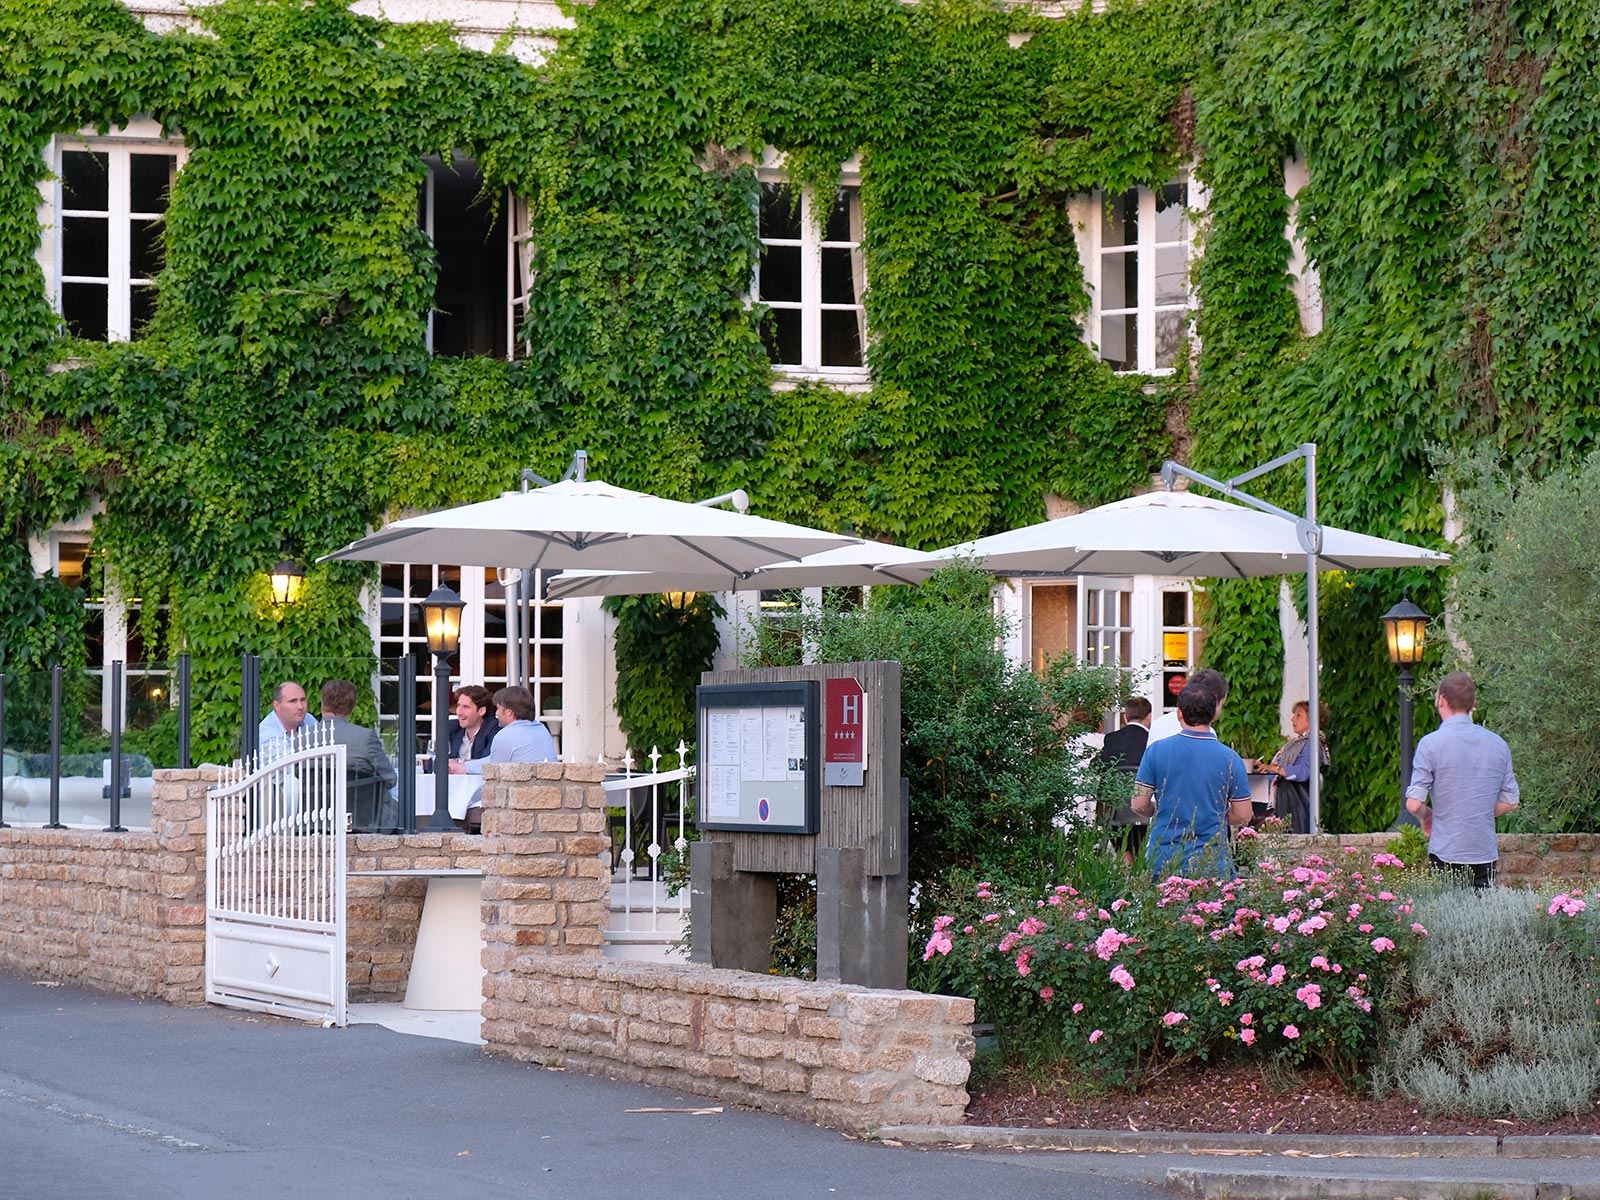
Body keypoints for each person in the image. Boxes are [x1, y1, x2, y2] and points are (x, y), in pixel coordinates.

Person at [1404, 672, 1518, 891]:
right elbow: (1511, 801)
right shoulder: (1497, 744)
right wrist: (1478, 810)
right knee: (1483, 919)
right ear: (1473, 703)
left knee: (1445, 919)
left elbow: (1414, 804)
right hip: (1483, 851)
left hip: (1446, 850)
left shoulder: (1430, 744)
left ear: (1441, 700)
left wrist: (1429, 816)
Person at [1132, 679, 1253, 879]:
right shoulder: (1231, 758)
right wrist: (1219, 817)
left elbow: (1138, 804)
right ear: (1214, 714)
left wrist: (1153, 810)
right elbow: (1243, 815)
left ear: (1179, 713)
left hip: (1163, 857)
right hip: (1212, 860)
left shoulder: (1156, 751)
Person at [450, 685, 556, 831]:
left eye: (499, 709)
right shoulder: (542, 729)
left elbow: (493, 768)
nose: (496, 714)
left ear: (509, 712)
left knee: (461, 813)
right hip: (547, 799)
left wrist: (463, 767)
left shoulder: (505, 736)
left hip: (521, 803)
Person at [319, 678, 398, 833]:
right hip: (363, 820)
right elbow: (390, 779)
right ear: (352, 706)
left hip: (317, 821)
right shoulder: (364, 737)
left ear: (322, 702)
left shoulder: (302, 739)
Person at [1256, 700, 1330, 834]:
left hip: (1296, 805)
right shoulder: (1298, 743)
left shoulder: (1312, 744)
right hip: (1288, 802)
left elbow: (1304, 771)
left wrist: (1274, 769)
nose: (1292, 719)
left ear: (1313, 719)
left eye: (1298, 715)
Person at [1098, 697, 1153, 863]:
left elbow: (1098, 766)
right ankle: (1139, 866)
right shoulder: (1152, 742)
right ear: (1149, 717)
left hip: (1115, 812)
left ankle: (1126, 863)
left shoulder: (1112, 739)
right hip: (1145, 810)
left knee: (1119, 831)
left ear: (1125, 717)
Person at [1147, 668, 1230, 746]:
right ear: (1213, 701)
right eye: (1222, 704)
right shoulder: (1207, 734)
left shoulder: (1159, 723)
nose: (1220, 711)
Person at [447, 685, 500, 765]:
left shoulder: (493, 729)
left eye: (466, 707)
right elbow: (434, 761)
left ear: (481, 711)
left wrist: (459, 764)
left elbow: (488, 763)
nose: (459, 712)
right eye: (458, 706)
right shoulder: (452, 728)